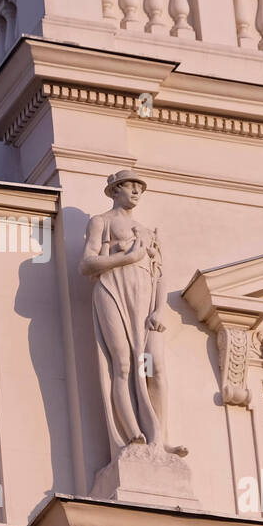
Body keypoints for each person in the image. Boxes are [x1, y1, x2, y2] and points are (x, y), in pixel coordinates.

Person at [79, 170, 185, 456]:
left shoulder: (148, 232)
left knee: (155, 367)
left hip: (145, 300)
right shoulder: (101, 222)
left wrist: (159, 310)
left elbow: (159, 275)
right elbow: (87, 264)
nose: (137, 192)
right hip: (113, 290)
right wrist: (126, 258)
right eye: (130, 187)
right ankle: (130, 434)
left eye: (140, 187)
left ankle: (159, 438)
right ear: (115, 191)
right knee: (123, 364)